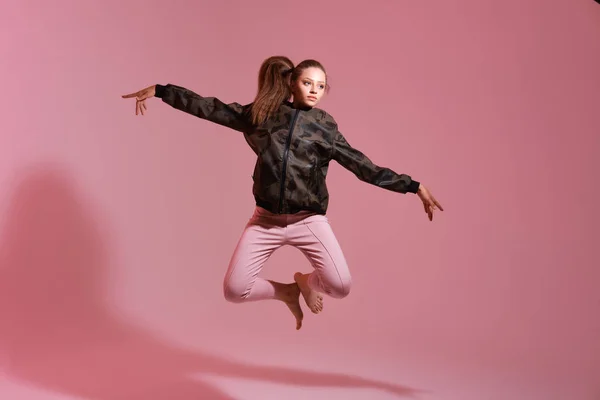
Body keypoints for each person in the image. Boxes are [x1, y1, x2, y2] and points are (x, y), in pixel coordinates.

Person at [122, 56, 443, 330]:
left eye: (320, 86)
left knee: (340, 286)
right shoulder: (263, 116)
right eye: (308, 83)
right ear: (292, 84)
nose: (315, 90)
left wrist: (413, 187)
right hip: (265, 221)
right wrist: (162, 91)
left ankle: (307, 281)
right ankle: (287, 292)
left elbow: (363, 166)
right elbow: (212, 108)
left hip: (309, 221)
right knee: (234, 290)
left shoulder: (325, 126)